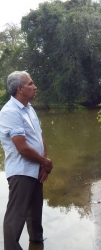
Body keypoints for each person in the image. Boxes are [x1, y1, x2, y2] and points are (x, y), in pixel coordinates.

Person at [0, 71, 53, 250]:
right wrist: (45, 162)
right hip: (21, 171)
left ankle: (36, 244)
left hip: (36, 168)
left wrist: (43, 161)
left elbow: (39, 136)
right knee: (16, 218)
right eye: (31, 83)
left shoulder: (29, 108)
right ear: (20, 89)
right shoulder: (9, 112)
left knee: (35, 215)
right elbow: (22, 148)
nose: (35, 86)